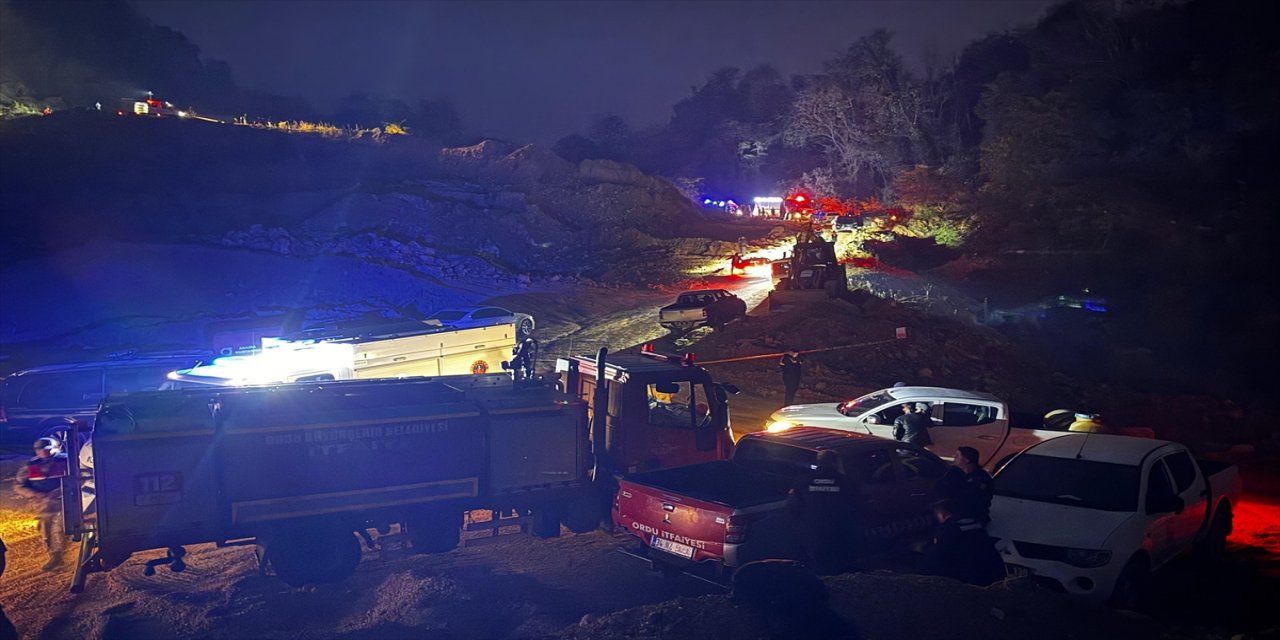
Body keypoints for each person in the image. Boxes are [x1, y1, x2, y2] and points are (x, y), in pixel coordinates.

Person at [786, 450, 859, 575]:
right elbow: (856, 505)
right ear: (834, 463)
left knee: (819, 569)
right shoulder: (845, 482)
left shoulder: (802, 481)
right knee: (841, 570)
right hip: (839, 534)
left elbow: (792, 507)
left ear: (817, 462)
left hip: (814, 534)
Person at [918, 500, 1005, 586]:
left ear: (942, 513)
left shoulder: (948, 529)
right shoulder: (975, 525)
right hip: (991, 578)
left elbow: (935, 556)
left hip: (967, 581)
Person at [14, 438, 69, 571]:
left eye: (46, 449)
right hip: (42, 504)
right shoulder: (30, 465)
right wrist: (34, 493)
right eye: (40, 450)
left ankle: (58, 556)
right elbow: (19, 486)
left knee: (59, 528)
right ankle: (53, 555)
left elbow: (77, 479)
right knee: (45, 529)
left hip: (62, 501)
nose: (44, 452)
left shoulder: (65, 461)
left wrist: (59, 492)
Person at [937, 446, 993, 524]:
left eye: (958, 455)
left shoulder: (981, 478)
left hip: (972, 516)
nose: (954, 457)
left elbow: (974, 501)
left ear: (966, 460)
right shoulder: (953, 472)